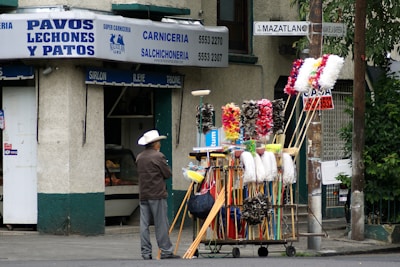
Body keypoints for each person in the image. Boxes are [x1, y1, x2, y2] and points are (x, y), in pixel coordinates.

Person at [136, 129, 180, 260]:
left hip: (144, 193)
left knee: (144, 224)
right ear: (155, 143)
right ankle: (166, 251)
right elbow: (167, 174)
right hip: (157, 193)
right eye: (158, 142)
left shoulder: (139, 157)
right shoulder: (158, 156)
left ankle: (145, 252)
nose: (159, 144)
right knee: (161, 223)